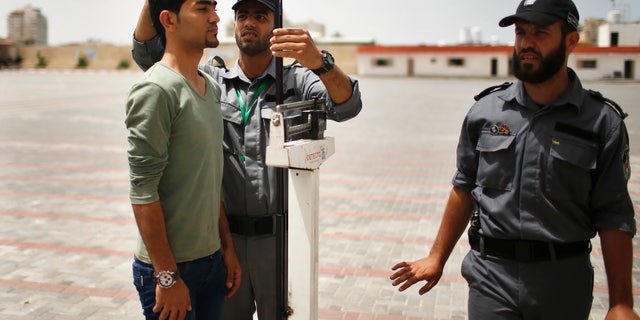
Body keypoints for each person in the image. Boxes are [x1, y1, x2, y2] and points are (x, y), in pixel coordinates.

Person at [390, 0, 638, 319]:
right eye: (521, 33)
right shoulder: (485, 112)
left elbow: (614, 214)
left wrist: (621, 303)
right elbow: (464, 187)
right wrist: (437, 256)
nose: (526, 43)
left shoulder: (602, 122)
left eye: (540, 33)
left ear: (571, 41)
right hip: (491, 278)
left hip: (562, 282)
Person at [131, 0, 363, 319]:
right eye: (242, 16)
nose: (249, 23)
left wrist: (319, 63)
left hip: (277, 242)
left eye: (260, 16)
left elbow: (348, 106)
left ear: (276, 25)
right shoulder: (213, 82)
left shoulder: (296, 81)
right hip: (224, 243)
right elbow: (146, 52)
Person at [125, 0, 241, 319]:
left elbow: (210, 179)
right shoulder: (156, 89)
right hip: (170, 271)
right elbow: (142, 192)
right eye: (203, 9)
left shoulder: (212, 89)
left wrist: (226, 248)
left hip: (212, 262)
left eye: (215, 8)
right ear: (169, 20)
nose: (216, 17)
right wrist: (167, 276)